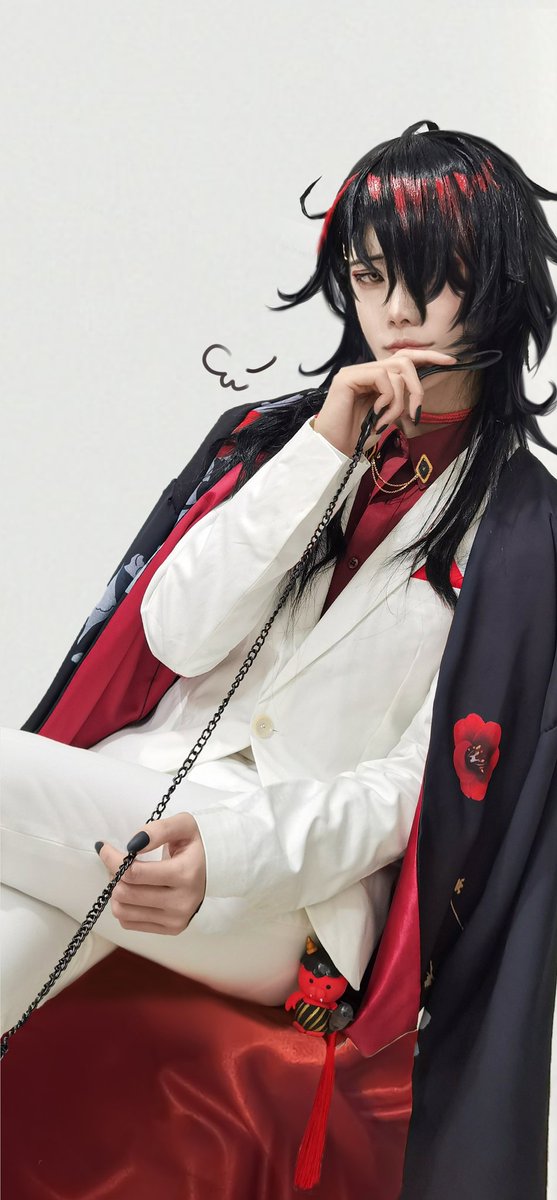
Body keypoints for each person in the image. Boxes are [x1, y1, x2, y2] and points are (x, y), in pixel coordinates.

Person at [2, 117, 557, 1193]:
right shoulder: (268, 440)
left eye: (431, 278)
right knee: (20, 920)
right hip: (125, 804)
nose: (395, 313)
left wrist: (231, 853)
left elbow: (414, 792)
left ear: (493, 285)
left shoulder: (523, 534)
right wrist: (320, 450)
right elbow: (175, 634)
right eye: (370, 276)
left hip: (294, 911)